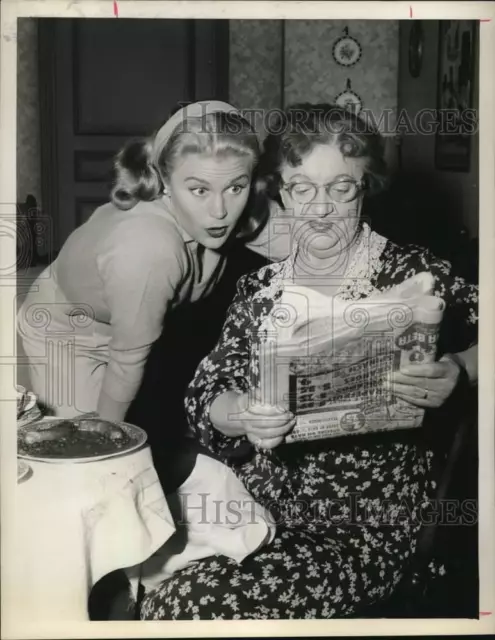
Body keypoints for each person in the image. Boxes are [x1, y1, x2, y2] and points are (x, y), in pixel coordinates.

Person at [140, 103, 478, 619]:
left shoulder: (411, 270)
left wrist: (462, 367)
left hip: (363, 524)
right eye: (302, 188)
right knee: (144, 573)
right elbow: (204, 396)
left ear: (366, 187)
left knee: (191, 604)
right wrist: (241, 411)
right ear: (281, 190)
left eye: (341, 188)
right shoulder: (261, 288)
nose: (319, 209)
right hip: (255, 507)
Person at [18, 100, 270, 425]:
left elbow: (312, 243)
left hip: (139, 323)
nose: (219, 211)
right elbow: (127, 362)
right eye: (199, 190)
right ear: (164, 180)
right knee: (86, 449)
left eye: (236, 186)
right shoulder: (149, 248)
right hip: (68, 332)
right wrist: (107, 435)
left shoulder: (238, 205)